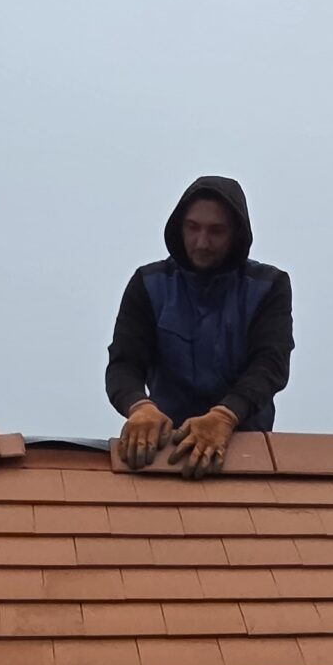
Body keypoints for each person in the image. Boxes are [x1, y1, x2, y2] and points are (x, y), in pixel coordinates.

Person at [105, 174, 292, 478]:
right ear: (180, 227)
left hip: (244, 450)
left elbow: (271, 364)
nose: (202, 242)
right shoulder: (148, 284)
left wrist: (224, 416)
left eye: (216, 231)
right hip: (162, 452)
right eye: (193, 228)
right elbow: (124, 363)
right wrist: (139, 407)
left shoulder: (269, 286)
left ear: (236, 234)